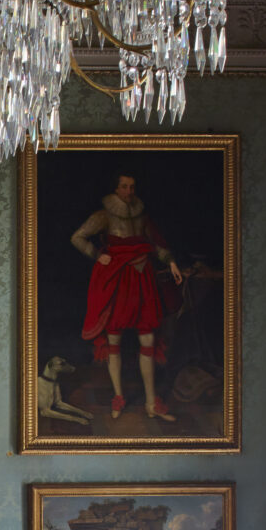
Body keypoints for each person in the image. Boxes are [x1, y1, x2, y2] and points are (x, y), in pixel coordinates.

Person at [70, 172, 186, 422]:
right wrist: (96, 254)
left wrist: (173, 262)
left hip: (143, 280)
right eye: (124, 187)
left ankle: (150, 403)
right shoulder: (103, 215)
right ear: (115, 189)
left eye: (132, 187)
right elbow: (77, 237)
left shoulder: (142, 216)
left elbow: (156, 245)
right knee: (115, 340)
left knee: (147, 339)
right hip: (117, 280)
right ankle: (119, 397)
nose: (129, 191)